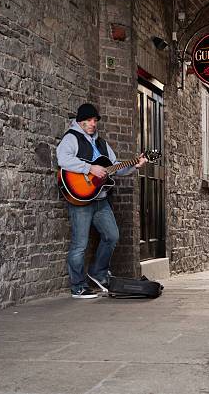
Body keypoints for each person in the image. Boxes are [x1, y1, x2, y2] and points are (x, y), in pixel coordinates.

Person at [57, 103, 147, 299]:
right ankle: (78, 286)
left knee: (112, 236)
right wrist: (89, 168)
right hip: (80, 198)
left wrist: (135, 166)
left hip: (100, 199)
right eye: (89, 120)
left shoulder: (102, 144)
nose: (92, 124)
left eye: (95, 121)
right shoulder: (71, 138)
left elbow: (114, 168)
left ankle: (98, 272)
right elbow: (63, 160)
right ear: (80, 121)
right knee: (79, 245)